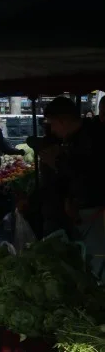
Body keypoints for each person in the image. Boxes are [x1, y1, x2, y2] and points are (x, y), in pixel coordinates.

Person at [40, 97, 105, 280]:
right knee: (89, 259)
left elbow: (89, 175)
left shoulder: (92, 138)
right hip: (84, 211)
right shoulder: (78, 138)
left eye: (53, 124)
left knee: (98, 259)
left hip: (96, 211)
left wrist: (57, 162)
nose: (52, 130)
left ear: (62, 120)